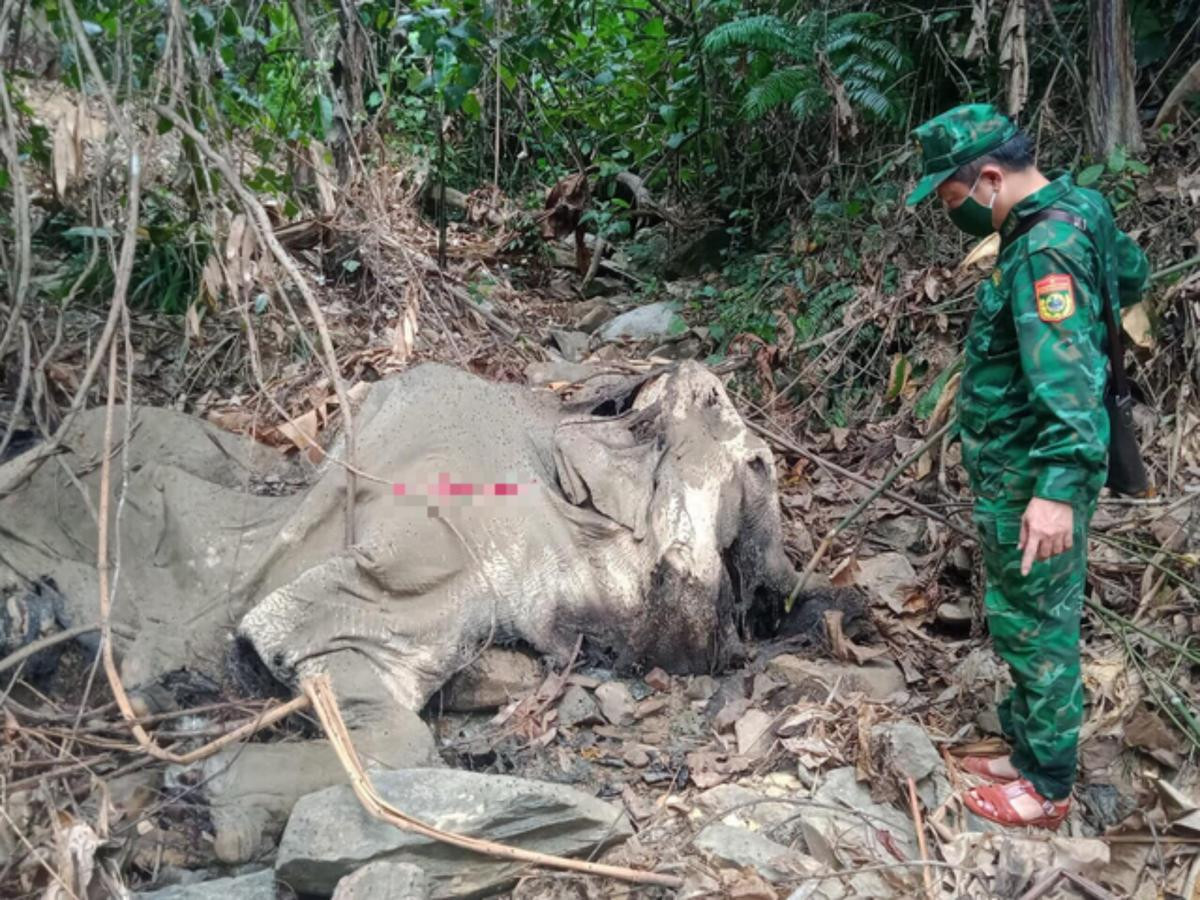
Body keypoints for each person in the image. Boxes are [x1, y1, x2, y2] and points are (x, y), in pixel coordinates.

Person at [905, 103, 1149, 829]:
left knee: (1038, 623)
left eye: (951, 201)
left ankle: (1046, 786)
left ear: (987, 178)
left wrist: (1056, 492)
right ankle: (1026, 743)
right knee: (1021, 614)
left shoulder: (1043, 251)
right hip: (1025, 468)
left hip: (1034, 475)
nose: (951, 216)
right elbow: (1130, 277)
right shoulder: (1080, 208)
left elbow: (1069, 384)